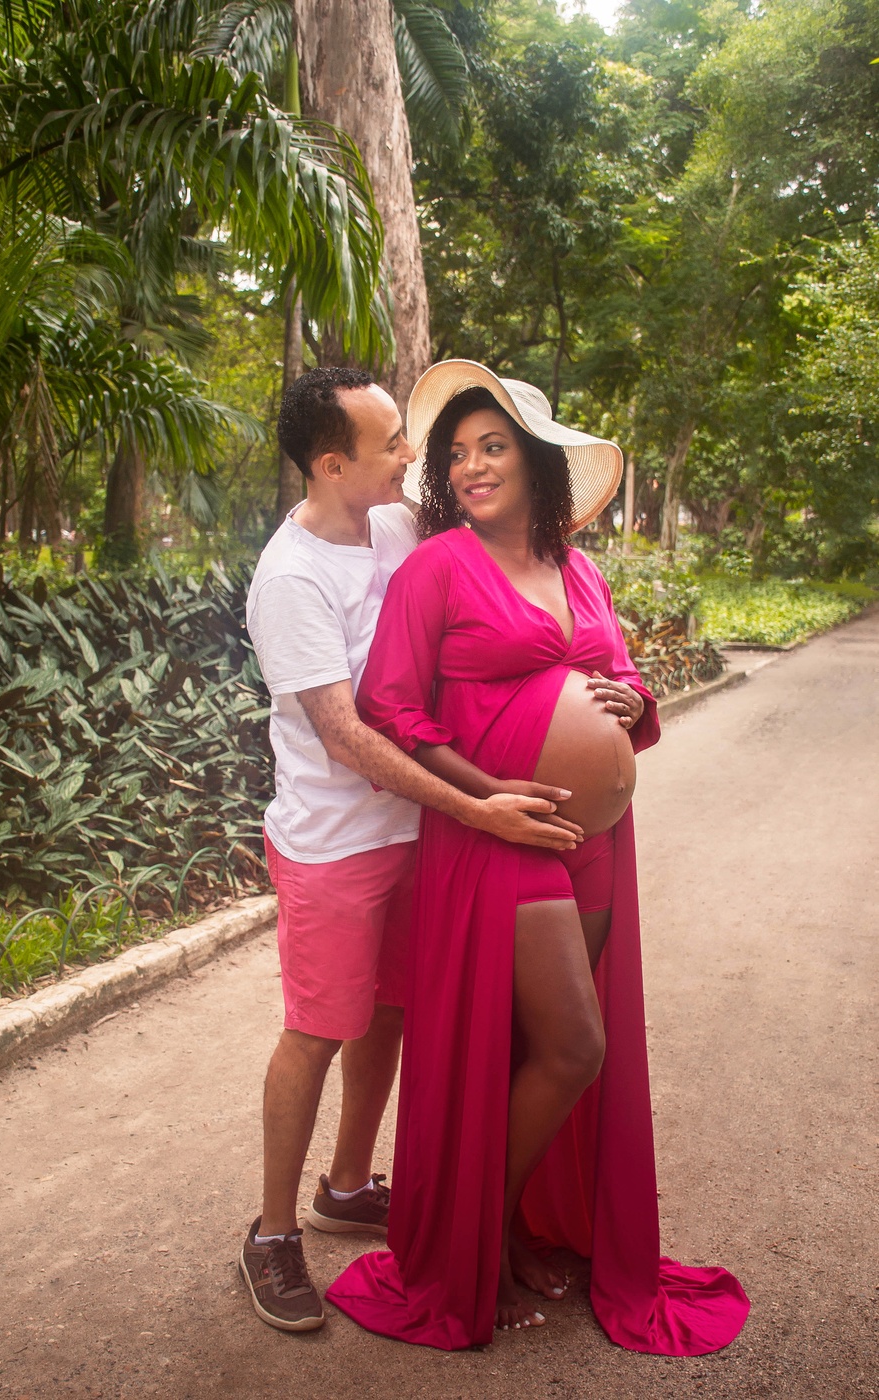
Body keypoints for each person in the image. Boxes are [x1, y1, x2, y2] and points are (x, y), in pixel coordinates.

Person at [328, 361, 750, 1352]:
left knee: (533, 1047)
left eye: (493, 447)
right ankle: (480, 1237)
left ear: (537, 462)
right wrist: (484, 800)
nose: (471, 467)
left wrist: (635, 702)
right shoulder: (438, 567)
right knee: (575, 1045)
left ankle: (512, 1220)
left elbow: (622, 675)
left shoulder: (579, 568)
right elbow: (394, 710)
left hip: (593, 841)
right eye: (457, 454)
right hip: (497, 833)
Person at [241, 366, 582, 1333]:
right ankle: (272, 1234)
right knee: (318, 1030)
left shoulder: (393, 525)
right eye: (390, 442)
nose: (409, 456)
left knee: (389, 1016)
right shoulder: (291, 579)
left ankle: (347, 1186)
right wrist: (479, 808)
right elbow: (347, 737)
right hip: (337, 844)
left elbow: (504, 531)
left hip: (417, 832)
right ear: (331, 464)